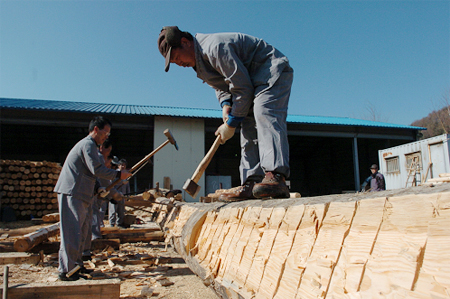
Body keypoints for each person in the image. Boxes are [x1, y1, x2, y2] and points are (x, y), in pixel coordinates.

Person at [157, 26, 294, 201]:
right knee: (248, 126)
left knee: (264, 112)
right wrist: (226, 104)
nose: (179, 64)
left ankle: (276, 176)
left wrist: (230, 124)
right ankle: (251, 182)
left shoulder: (215, 48)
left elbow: (242, 88)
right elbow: (220, 85)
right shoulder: (199, 64)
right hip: (249, 81)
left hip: (268, 70)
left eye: (176, 58)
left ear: (185, 42)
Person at [54, 116, 131, 281]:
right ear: (96, 129)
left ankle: (76, 265)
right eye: (105, 132)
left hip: (82, 194)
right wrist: (118, 174)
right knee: (72, 232)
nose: (106, 137)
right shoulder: (88, 144)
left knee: (82, 232)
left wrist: (99, 187)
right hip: (72, 192)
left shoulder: (93, 148)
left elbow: (90, 173)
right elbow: (96, 169)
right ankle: (66, 270)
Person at [109, 159, 130, 228]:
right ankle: (112, 224)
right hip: (114, 195)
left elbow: (127, 186)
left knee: (121, 210)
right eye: (121, 165)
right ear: (118, 165)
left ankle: (119, 223)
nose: (123, 166)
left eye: (124, 165)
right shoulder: (115, 173)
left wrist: (127, 195)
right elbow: (111, 184)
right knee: (113, 210)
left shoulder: (125, 174)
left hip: (122, 195)